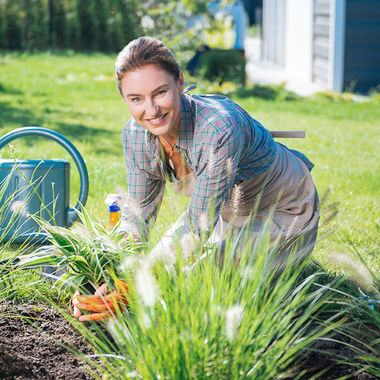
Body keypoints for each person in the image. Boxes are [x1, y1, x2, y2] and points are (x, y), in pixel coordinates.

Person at [73, 36, 319, 320]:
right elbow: (137, 214)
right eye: (136, 99)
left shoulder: (218, 129)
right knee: (159, 272)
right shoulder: (135, 134)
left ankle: (289, 258)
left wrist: (136, 285)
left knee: (200, 288)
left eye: (160, 92)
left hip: (281, 209)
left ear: (179, 82)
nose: (151, 110)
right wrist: (115, 274)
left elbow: (197, 227)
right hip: (223, 213)